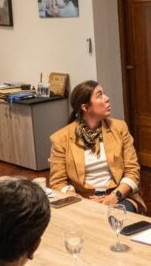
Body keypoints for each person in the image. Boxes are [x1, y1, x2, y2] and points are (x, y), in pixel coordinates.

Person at [49, 80, 145, 213]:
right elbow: (58, 182)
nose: (107, 98)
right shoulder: (61, 138)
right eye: (99, 95)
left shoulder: (119, 128)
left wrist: (112, 198)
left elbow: (132, 171)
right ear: (85, 107)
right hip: (82, 199)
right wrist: (81, 201)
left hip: (119, 196)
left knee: (117, 216)